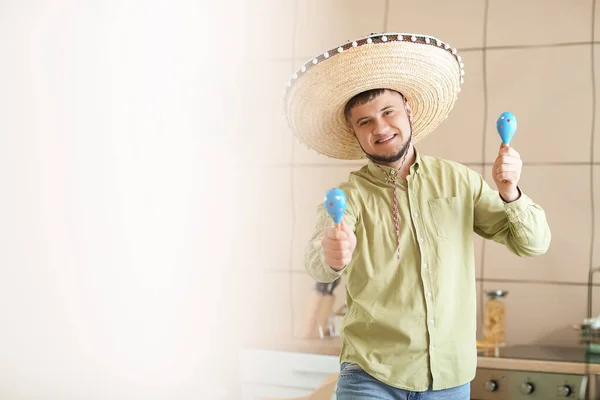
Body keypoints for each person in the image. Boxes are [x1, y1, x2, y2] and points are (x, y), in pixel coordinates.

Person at [283, 32, 551, 400]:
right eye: (365, 122)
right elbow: (318, 262)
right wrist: (331, 255)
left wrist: (510, 191)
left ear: (408, 108)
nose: (380, 128)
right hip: (371, 377)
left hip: (449, 380)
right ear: (354, 132)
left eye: (388, 112)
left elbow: (533, 244)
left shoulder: (458, 180)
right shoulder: (348, 197)